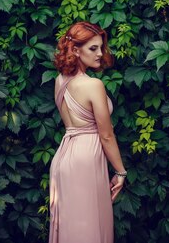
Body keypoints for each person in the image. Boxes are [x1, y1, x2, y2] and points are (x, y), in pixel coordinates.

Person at [49, 21, 127, 243]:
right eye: (93, 48)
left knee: (72, 229)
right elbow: (106, 135)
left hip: (64, 157)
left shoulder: (60, 81)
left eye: (101, 47)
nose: (100, 54)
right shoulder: (94, 85)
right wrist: (120, 172)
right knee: (89, 229)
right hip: (86, 160)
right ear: (75, 50)